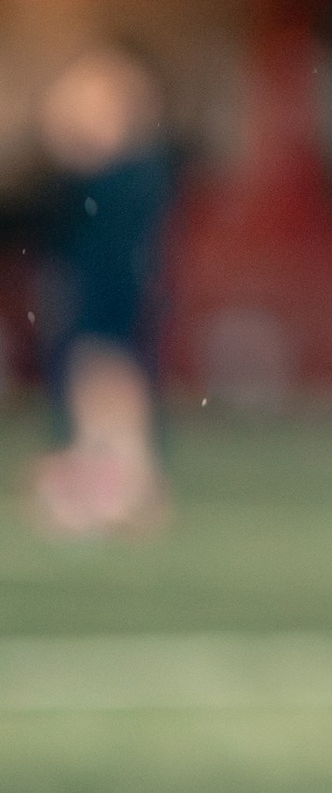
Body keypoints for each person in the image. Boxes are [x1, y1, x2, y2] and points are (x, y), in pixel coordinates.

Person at [29, 43, 177, 535]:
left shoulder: (130, 175)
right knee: (100, 378)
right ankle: (119, 483)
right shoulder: (116, 176)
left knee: (105, 376)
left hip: (111, 286)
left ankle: (121, 486)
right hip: (100, 284)